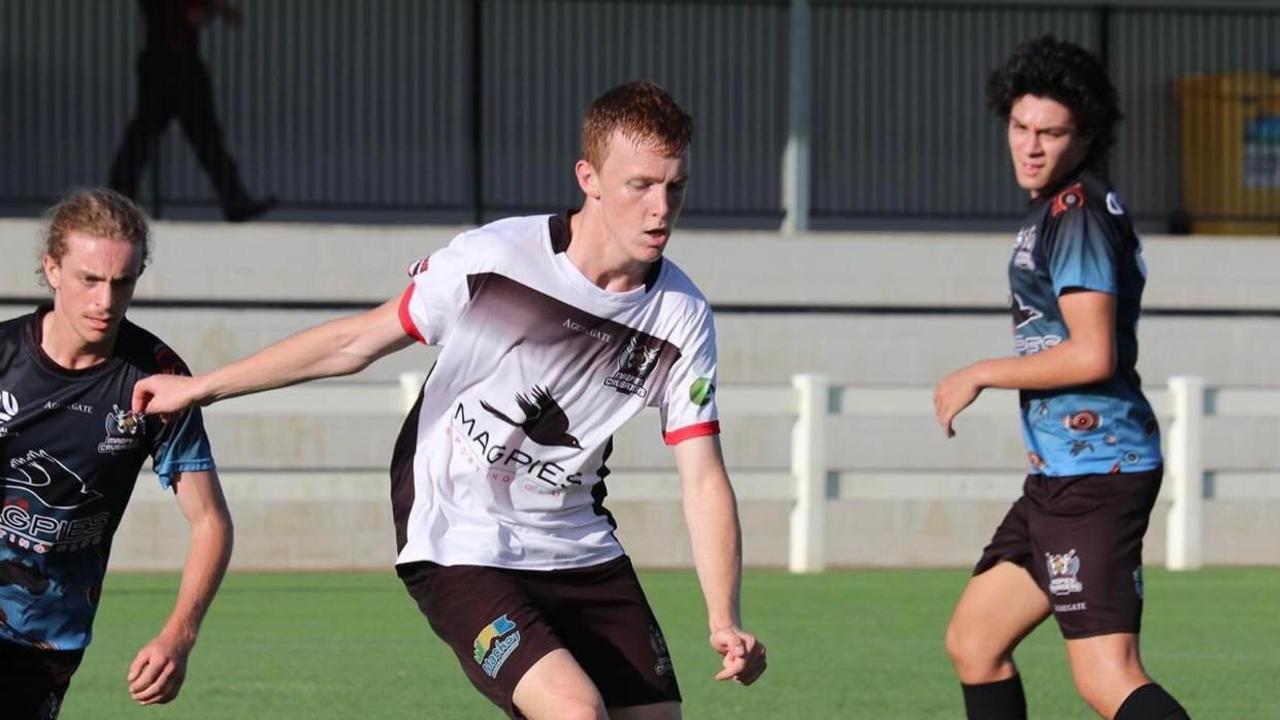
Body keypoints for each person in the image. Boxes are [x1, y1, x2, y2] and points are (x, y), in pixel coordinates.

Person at [132, 80, 766, 719]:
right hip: (457, 535)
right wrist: (203, 386)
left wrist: (724, 616)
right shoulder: (498, 259)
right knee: (576, 713)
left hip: (577, 543)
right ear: (589, 178)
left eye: (675, 186)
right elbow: (354, 342)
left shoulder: (679, 315)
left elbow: (703, 476)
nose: (661, 208)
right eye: (640, 185)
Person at [935, 36, 1189, 720]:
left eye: (1051, 132)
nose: (1031, 145)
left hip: (1097, 475)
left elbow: (1092, 353)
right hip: (1059, 478)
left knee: (1108, 677)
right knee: (976, 640)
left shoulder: (1077, 214)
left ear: (1086, 136)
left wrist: (982, 373)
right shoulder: (1053, 212)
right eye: (1020, 128)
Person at [0, 189, 234, 719]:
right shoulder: (4, 358)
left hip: (47, 634)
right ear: (52, 269)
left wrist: (180, 634)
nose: (105, 301)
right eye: (89, 280)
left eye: (121, 282)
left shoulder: (158, 380)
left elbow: (210, 522)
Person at [108, 0, 275, 222]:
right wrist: (216, 10)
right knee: (198, 137)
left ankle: (116, 200)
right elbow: (192, 14)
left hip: (162, 60)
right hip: (176, 61)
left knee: (146, 135)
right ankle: (235, 201)